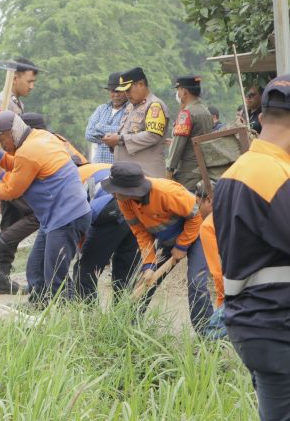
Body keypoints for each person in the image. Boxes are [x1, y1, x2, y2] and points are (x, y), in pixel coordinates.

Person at [214, 75, 290, 419]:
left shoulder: (237, 172)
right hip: (277, 325)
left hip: (253, 323)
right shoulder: (275, 178)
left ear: (261, 118)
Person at [0, 110, 91, 305]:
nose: (2, 144)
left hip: (66, 217)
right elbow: (21, 165)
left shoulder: (28, 152)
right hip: (55, 217)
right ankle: (38, 305)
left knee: (55, 275)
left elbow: (12, 190)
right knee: (35, 267)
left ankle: (70, 314)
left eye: (2, 139)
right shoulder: (40, 137)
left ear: (12, 132)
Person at [101, 161, 214, 335]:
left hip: (197, 234)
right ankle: (129, 331)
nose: (113, 193)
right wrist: (149, 264)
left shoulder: (167, 192)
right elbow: (140, 232)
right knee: (145, 282)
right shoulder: (124, 201)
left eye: (116, 189)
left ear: (130, 190)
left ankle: (208, 335)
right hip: (168, 241)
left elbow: (197, 216)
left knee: (196, 283)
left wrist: (182, 245)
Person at [0, 59, 41, 295]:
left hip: (13, 169)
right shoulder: (3, 104)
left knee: (12, 223)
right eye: (29, 80)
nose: (32, 86)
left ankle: (0, 278)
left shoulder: (15, 102)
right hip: (8, 171)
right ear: (16, 77)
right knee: (26, 217)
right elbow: (1, 139)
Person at [72, 162, 140, 302]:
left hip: (109, 210)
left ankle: (86, 311)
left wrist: (81, 248)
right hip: (136, 209)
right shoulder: (99, 167)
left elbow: (82, 221)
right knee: (125, 271)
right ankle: (123, 312)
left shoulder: (71, 177)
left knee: (86, 269)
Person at [103, 67, 169, 178]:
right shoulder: (131, 106)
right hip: (128, 174)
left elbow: (152, 135)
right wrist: (114, 139)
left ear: (141, 84)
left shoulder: (154, 106)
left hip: (146, 174)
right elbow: (126, 132)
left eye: (128, 90)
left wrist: (120, 139)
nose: (126, 94)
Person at [167, 76, 215, 190]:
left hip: (187, 174)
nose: (177, 93)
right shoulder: (206, 112)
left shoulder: (187, 113)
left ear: (184, 92)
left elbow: (178, 145)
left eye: (178, 90)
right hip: (203, 171)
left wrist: (169, 169)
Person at [196, 179, 226, 340]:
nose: (197, 211)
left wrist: (222, 303)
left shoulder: (208, 225)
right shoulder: (241, 212)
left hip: (243, 289)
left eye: (197, 204)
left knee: (211, 339)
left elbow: (218, 272)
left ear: (208, 200)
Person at [85, 72, 128, 164]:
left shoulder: (131, 109)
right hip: (99, 164)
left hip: (119, 165)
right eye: (113, 91)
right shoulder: (101, 109)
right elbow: (89, 134)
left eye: (119, 91)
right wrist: (113, 138)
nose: (116, 95)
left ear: (126, 91)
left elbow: (127, 132)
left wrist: (100, 127)